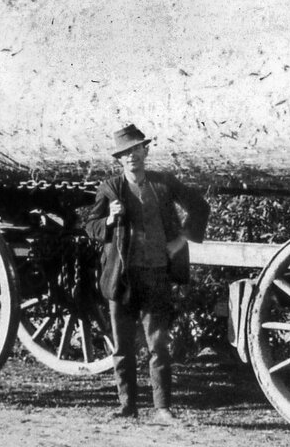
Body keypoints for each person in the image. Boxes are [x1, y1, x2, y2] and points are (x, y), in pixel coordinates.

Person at [86, 123, 210, 422]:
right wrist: (111, 220)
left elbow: (200, 206)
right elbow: (91, 227)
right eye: (125, 153)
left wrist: (180, 241)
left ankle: (162, 408)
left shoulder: (163, 184)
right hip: (120, 278)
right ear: (118, 159)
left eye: (137, 150)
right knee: (122, 347)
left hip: (156, 274)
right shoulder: (110, 188)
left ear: (146, 151)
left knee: (158, 345)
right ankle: (127, 407)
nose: (132, 157)